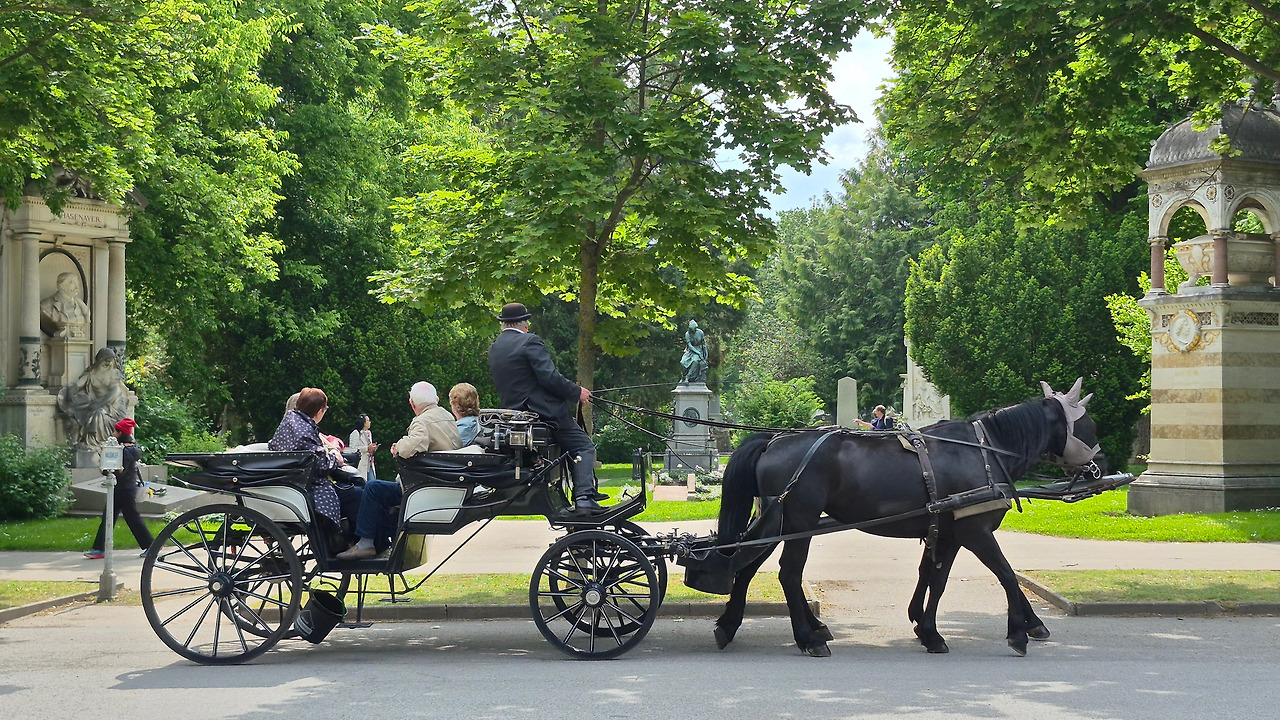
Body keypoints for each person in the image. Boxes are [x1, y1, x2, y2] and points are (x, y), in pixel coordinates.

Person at [487, 302, 604, 514]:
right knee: (584, 446)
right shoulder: (529, 341)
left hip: (515, 415)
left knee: (571, 447)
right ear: (525, 324)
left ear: (503, 324)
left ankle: (584, 491)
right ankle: (585, 498)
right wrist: (576, 392)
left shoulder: (495, 348)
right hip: (543, 413)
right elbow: (549, 378)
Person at [337, 381, 461, 560]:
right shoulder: (447, 416)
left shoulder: (423, 421)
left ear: (412, 403)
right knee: (380, 493)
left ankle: (365, 544)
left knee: (372, 488)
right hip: (442, 483)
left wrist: (399, 445)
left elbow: (410, 447)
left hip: (423, 488)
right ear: (437, 399)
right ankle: (380, 544)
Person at [268, 387, 362, 544]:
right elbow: (320, 464)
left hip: (292, 483)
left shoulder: (290, 422)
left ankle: (345, 542)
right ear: (319, 411)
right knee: (357, 495)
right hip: (308, 488)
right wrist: (335, 458)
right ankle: (355, 544)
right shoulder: (304, 430)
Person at [84, 418, 154, 559]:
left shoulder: (125, 452)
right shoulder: (129, 449)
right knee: (111, 517)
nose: (113, 433)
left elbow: (118, 470)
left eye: (115, 431)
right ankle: (100, 549)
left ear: (120, 433)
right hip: (123, 489)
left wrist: (104, 468)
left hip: (123, 490)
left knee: (126, 518)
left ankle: (151, 547)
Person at [57, 347, 130, 452]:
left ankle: (97, 443)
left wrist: (99, 404)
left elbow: (114, 393)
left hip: (114, 406)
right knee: (82, 411)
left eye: (111, 361)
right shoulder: (91, 374)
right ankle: (90, 443)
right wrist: (70, 393)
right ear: (99, 360)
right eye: (106, 361)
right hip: (97, 403)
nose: (109, 364)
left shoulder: (114, 374)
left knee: (98, 414)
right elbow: (77, 385)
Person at [40, 271, 91, 338]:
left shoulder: (82, 306)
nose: (77, 287)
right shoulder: (46, 305)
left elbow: (86, 319)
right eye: (72, 283)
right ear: (62, 286)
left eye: (77, 283)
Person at [348, 414, 378, 483]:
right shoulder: (355, 433)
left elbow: (368, 447)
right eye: (368, 420)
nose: (370, 422)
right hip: (361, 464)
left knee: (373, 482)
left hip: (369, 463)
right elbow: (353, 449)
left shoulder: (368, 433)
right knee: (363, 483)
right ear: (363, 422)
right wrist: (367, 448)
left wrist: (372, 448)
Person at [680, 319, 708, 384]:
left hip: (699, 349)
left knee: (695, 361)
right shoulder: (687, 334)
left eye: (694, 329)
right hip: (690, 351)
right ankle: (683, 376)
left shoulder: (700, 332)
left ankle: (688, 377)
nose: (693, 331)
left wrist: (705, 354)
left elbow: (703, 344)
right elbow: (689, 345)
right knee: (682, 362)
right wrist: (697, 353)